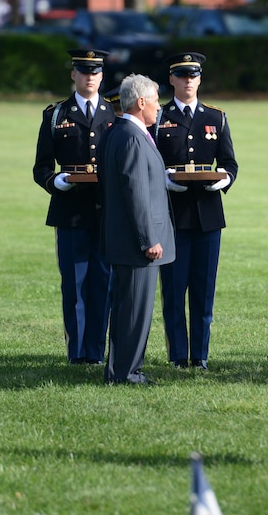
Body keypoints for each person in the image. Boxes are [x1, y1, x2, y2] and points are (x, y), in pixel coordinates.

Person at [153, 52, 237, 370]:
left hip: (208, 214)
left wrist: (225, 179)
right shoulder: (159, 118)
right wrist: (162, 180)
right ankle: (178, 355)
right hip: (173, 214)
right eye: (182, 75)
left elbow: (229, 162)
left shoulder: (216, 118)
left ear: (200, 79)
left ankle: (199, 355)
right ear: (172, 79)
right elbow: (151, 161)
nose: (189, 81)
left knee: (203, 290)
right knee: (174, 290)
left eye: (194, 75)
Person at [32, 48, 115, 365]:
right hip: (69, 213)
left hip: (106, 213)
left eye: (95, 72)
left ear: (102, 76)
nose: (90, 77)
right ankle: (77, 352)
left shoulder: (115, 113)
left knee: (102, 283)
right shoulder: (55, 115)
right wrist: (57, 183)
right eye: (84, 71)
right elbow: (41, 167)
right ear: (73, 75)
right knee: (75, 284)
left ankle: (95, 351)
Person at [100, 73, 175, 385]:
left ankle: (124, 369)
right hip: (137, 243)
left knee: (128, 310)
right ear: (141, 102)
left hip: (128, 240)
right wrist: (148, 239)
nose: (159, 107)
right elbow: (136, 193)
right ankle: (126, 373)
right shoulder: (131, 136)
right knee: (133, 311)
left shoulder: (122, 133)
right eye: (156, 100)